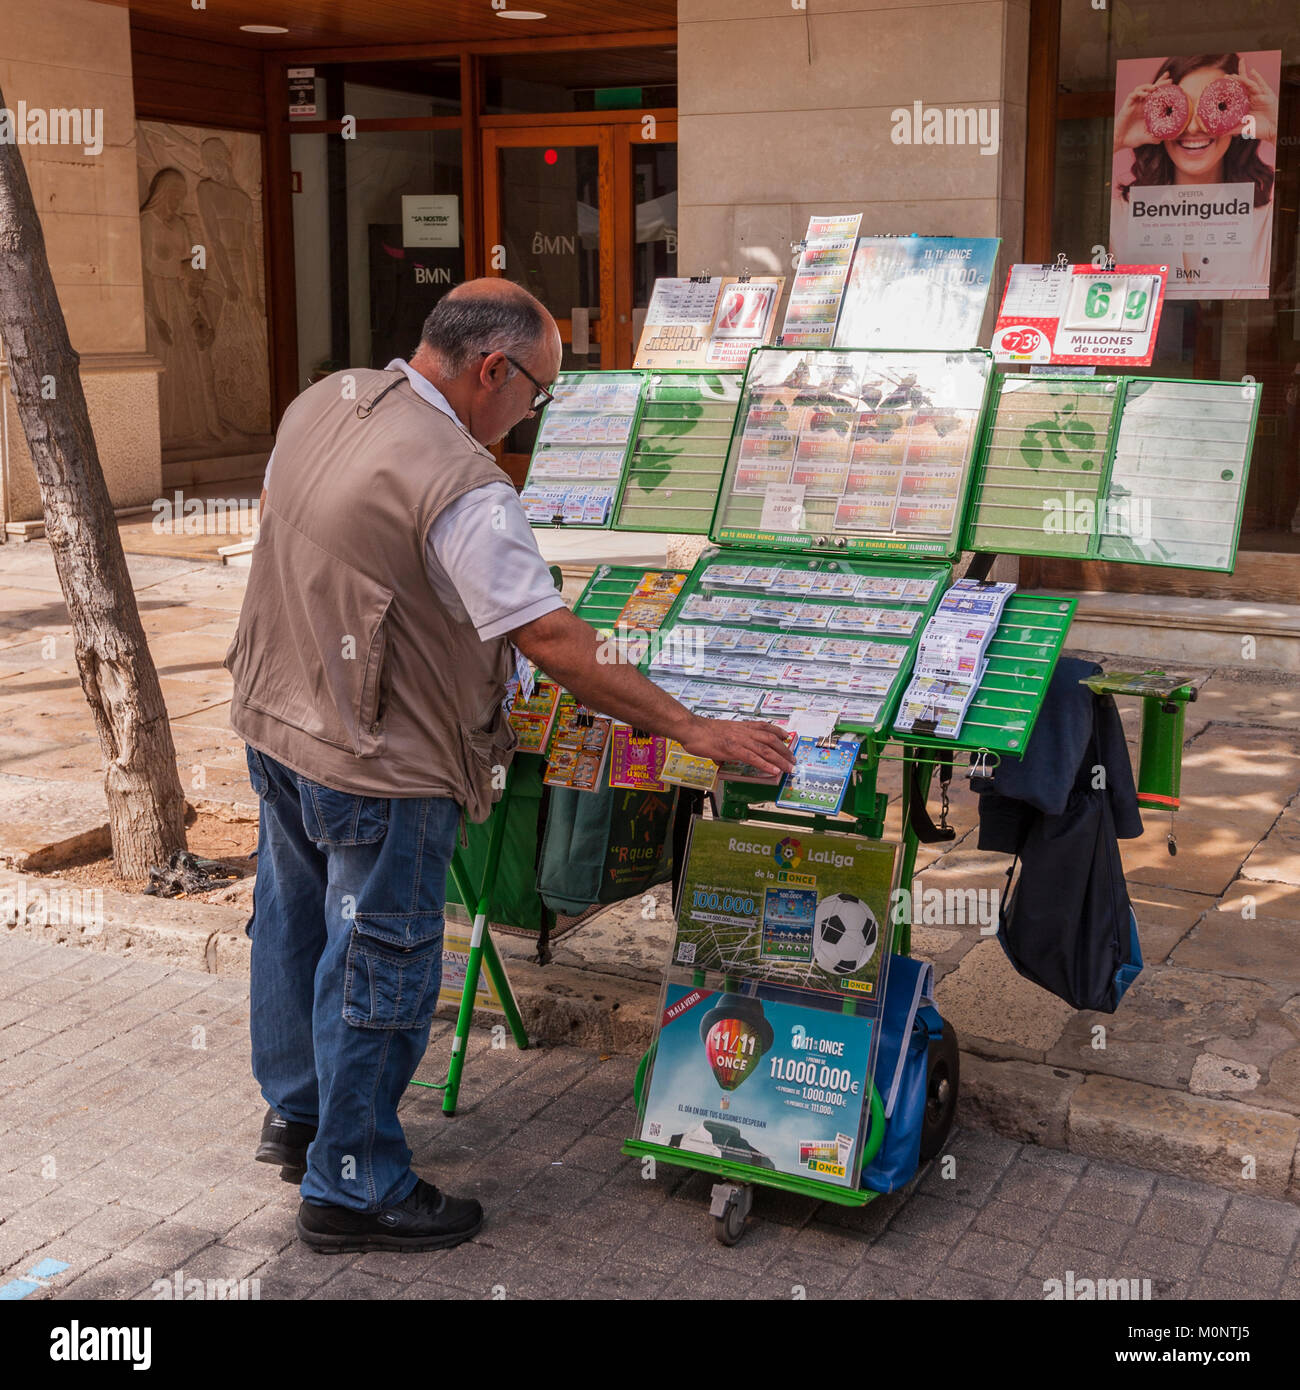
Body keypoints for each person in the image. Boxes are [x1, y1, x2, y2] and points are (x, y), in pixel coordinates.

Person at [225, 278, 795, 1254]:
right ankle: (351, 1184)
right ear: (492, 369)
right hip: (380, 761)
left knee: (292, 922)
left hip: (278, 720)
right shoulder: (463, 485)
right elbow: (555, 640)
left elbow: (301, 528)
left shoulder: (328, 399)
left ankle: (303, 1115)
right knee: (380, 960)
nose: (533, 412)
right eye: (536, 390)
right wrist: (691, 726)